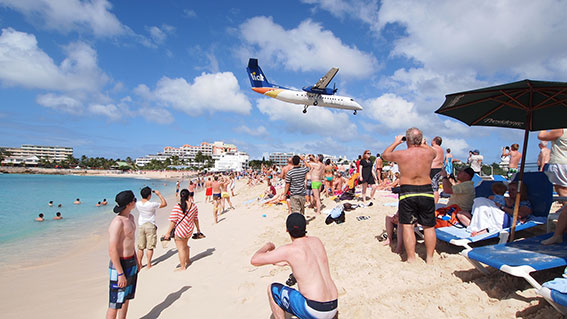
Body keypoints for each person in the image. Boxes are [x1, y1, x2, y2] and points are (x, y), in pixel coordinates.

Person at [250, 213, 338, 319]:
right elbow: (305, 262)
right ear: (305, 227)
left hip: (315, 310)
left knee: (272, 290)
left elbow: (255, 260)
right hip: (333, 306)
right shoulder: (317, 241)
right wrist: (286, 262)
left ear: (287, 230)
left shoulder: (290, 250)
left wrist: (268, 246)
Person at [382, 127, 437, 263]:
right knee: (428, 227)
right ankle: (429, 258)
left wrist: (396, 142)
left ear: (407, 141)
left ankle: (411, 258)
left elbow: (385, 155)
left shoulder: (402, 154)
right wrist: (423, 143)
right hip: (426, 190)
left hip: (408, 191)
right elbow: (433, 152)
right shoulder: (430, 153)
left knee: (408, 226)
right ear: (421, 140)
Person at [107, 190, 139, 319]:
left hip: (131, 261)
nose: (135, 202)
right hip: (119, 264)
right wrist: (120, 273)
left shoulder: (131, 217)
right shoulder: (117, 222)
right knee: (114, 303)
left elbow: (131, 242)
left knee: (126, 297)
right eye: (134, 200)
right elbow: (112, 249)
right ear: (129, 203)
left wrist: (136, 260)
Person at [539, 128, 567, 245]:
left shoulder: (561, 129)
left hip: (561, 165)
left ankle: (558, 234)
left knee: (565, 200)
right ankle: (559, 233)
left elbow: (542, 136)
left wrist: (543, 125)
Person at [162, 189, 202, 271]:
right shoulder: (193, 206)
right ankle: (188, 260)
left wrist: (168, 233)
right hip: (189, 230)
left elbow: (173, 221)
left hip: (180, 230)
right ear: (189, 196)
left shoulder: (177, 207)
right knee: (185, 245)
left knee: (180, 249)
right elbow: (195, 219)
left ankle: (183, 266)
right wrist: (198, 230)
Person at [136, 187, 167, 270]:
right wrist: (159, 194)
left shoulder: (137, 203)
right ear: (149, 195)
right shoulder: (152, 204)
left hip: (141, 225)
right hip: (150, 225)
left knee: (140, 247)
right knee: (150, 246)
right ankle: (149, 264)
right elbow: (164, 204)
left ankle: (139, 264)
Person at [430, 136, 445, 204]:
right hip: (439, 169)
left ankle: (435, 203)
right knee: (435, 186)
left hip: (434, 168)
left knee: (434, 187)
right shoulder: (441, 149)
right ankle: (434, 202)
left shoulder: (434, 148)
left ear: (434, 141)